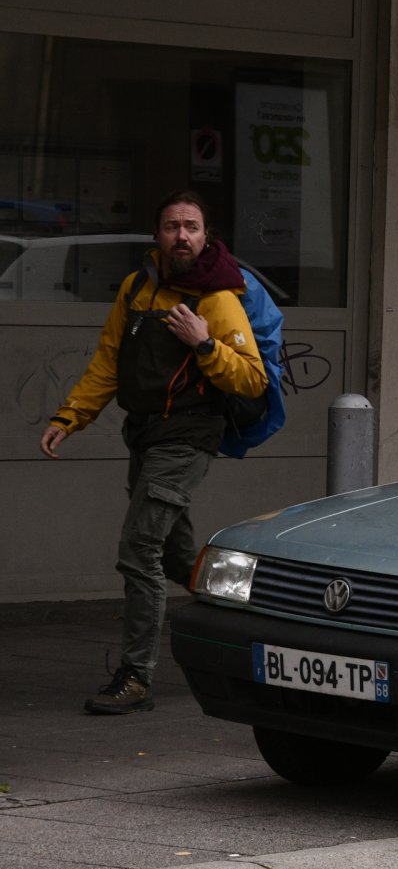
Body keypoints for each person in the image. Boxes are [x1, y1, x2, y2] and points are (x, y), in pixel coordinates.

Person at [40, 191, 266, 714]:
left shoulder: (217, 298)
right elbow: (107, 362)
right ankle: (263, 620)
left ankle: (136, 675)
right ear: (157, 235)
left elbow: (253, 379)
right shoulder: (136, 287)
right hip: (144, 436)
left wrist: (205, 344)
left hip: (187, 439)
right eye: (171, 226)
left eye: (191, 226)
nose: (181, 235)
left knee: (138, 549)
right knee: (177, 556)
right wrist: (68, 418)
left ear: (206, 236)